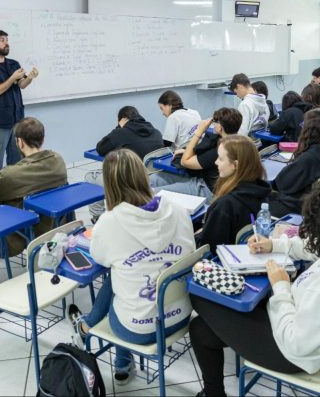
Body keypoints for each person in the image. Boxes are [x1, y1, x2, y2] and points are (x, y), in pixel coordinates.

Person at [190, 175, 320, 397]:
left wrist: (281, 287)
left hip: (294, 354)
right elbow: (315, 248)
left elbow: (296, 343)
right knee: (202, 330)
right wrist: (274, 244)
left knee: (199, 297)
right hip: (313, 335)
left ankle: (213, 393)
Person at [68, 149, 196, 385]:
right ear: (143, 175)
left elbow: (99, 258)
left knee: (117, 281)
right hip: (181, 316)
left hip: (137, 330)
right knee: (124, 279)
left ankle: (105, 345)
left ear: (109, 183)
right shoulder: (178, 210)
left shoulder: (109, 222)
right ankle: (100, 340)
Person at [0, 117, 68, 256]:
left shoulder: (13, 174)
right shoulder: (58, 160)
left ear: (19, 142)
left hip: (27, 230)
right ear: (42, 139)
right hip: (56, 225)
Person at [0, 29, 39, 173]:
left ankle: (15, 192)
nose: (6, 43)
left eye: (7, 40)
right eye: (2, 40)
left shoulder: (13, 63)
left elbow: (21, 84)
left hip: (17, 120)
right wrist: (12, 78)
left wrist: (30, 77)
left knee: (17, 160)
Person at [150, 108, 242, 199]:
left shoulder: (219, 150)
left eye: (215, 122)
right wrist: (186, 151)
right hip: (202, 177)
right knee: (155, 178)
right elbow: (200, 154)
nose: (213, 125)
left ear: (220, 127)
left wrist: (199, 131)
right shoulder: (235, 141)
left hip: (207, 189)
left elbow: (184, 162)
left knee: (156, 193)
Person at [198, 135, 270, 252]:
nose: (216, 162)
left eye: (221, 159)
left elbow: (208, 249)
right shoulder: (263, 193)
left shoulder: (224, 206)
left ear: (235, 165)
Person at [269, 109, 320, 217]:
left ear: (309, 129)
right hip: (315, 203)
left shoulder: (309, 158)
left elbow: (281, 184)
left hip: (297, 205)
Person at [96, 106, 163, 159]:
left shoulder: (120, 133)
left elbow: (101, 149)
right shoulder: (157, 132)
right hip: (155, 173)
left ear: (122, 120)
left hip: (133, 174)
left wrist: (119, 127)